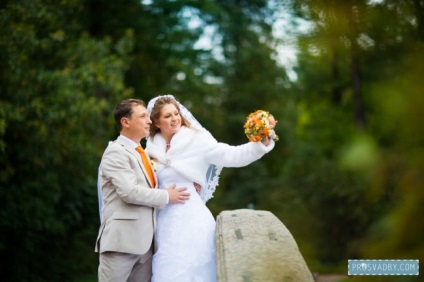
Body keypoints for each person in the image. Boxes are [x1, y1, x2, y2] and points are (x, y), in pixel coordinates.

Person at [146, 94, 275, 281]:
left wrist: (259, 145)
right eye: (167, 116)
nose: (174, 118)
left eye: (176, 113)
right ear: (156, 122)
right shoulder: (150, 148)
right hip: (164, 221)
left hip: (192, 218)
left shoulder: (196, 140)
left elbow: (231, 155)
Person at [95, 98, 191, 282]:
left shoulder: (144, 153)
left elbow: (154, 184)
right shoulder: (116, 152)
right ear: (125, 122)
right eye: (142, 116)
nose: (149, 121)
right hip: (121, 243)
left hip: (147, 246)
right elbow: (129, 192)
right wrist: (166, 196)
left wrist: (190, 182)